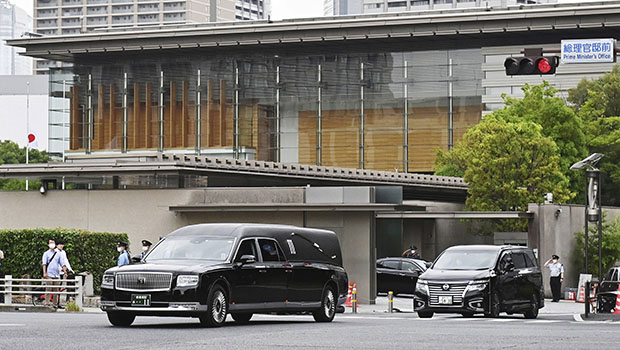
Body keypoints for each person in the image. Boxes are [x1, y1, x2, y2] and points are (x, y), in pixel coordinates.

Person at [42, 239, 63, 307]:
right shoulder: (46, 253)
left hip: (57, 274)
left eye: (53, 243)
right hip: (49, 274)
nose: (52, 244)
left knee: (56, 290)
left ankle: (55, 303)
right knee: (48, 288)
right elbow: (44, 264)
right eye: (50, 243)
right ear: (48, 245)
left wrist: (64, 271)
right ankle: (47, 303)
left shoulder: (58, 253)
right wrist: (44, 273)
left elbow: (61, 263)